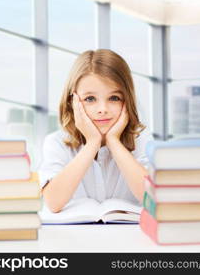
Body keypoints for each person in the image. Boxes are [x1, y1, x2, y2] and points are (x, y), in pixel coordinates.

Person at [39, 49, 152, 213]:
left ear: (127, 100)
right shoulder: (56, 142)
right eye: (90, 99)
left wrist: (114, 141)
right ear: (73, 102)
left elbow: (153, 199)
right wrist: (92, 143)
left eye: (114, 98)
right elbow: (53, 202)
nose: (103, 109)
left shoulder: (142, 141)